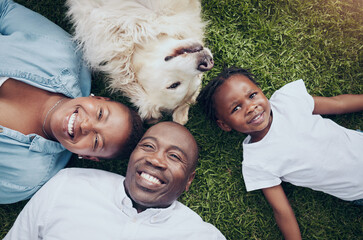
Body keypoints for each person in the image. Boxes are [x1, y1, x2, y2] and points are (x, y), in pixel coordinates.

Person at [0, 0, 144, 204]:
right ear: (100, 98)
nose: (85, 125)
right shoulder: (61, 51)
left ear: (88, 157)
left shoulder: (24, 179)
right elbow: (3, 9)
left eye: (96, 141)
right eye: (101, 114)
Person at [197, 67, 363, 240]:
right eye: (236, 108)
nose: (251, 107)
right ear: (224, 125)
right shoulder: (256, 162)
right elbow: (282, 211)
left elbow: (338, 104)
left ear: (261, 91)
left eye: (252, 95)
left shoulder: (287, 102)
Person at [4, 121, 226, 240]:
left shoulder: (202, 236)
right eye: (148, 146)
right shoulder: (68, 185)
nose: (156, 160)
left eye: (175, 157)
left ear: (189, 181)